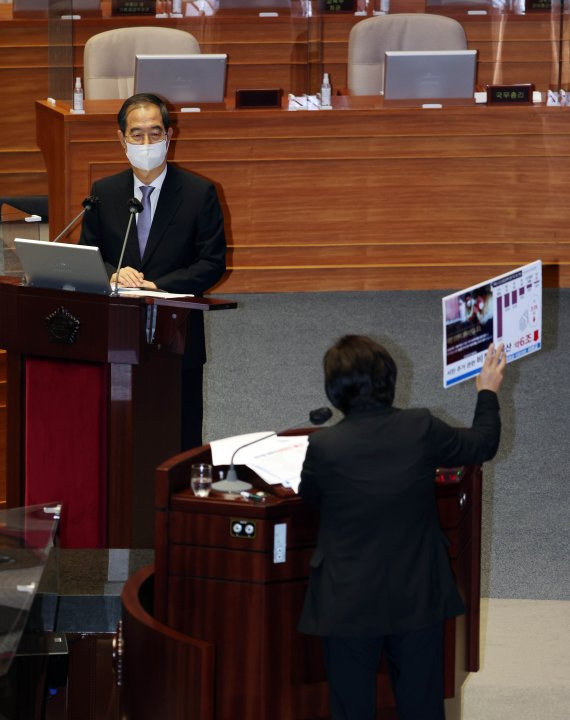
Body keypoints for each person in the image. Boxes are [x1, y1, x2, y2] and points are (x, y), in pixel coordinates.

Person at [298, 335, 506, 720]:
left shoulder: (325, 446)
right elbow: (482, 444)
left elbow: (310, 496)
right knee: (422, 706)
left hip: (348, 601)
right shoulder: (420, 427)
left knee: (350, 709)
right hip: (417, 594)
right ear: (388, 379)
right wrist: (487, 391)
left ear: (334, 391)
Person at [80, 93, 226, 450]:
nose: (146, 143)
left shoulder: (199, 192)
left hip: (175, 332)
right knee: (118, 431)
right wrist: (112, 274)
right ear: (121, 139)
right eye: (137, 134)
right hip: (117, 329)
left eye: (154, 133)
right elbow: (88, 254)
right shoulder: (104, 192)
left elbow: (212, 263)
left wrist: (156, 285)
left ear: (169, 136)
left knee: (178, 431)